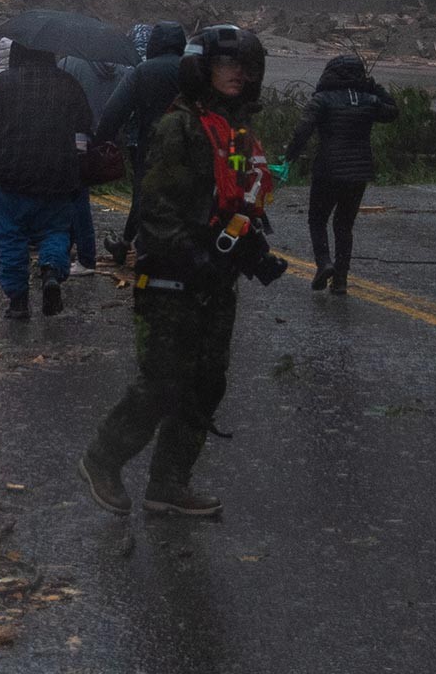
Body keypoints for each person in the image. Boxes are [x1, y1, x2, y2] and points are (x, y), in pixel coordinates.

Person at [80, 25, 276, 519]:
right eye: (227, 65)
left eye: (245, 67)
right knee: (163, 381)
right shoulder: (180, 127)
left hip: (215, 283)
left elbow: (235, 199)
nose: (237, 75)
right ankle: (102, 458)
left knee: (207, 383)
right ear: (203, 68)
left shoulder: (235, 132)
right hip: (171, 280)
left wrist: (250, 250)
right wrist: (195, 255)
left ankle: (169, 483)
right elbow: (157, 211)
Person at [0, 41, 92, 319]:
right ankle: (51, 271)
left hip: (11, 173)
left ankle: (18, 301)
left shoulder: (2, 84)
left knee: (12, 235)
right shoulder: (68, 83)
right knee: (55, 231)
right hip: (58, 173)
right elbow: (85, 124)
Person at [278, 54, 398, 293]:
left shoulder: (322, 99)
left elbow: (303, 129)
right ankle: (341, 279)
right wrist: (374, 86)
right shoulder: (369, 100)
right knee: (344, 225)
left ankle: (324, 263)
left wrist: (289, 156)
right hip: (359, 171)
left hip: (328, 170)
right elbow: (393, 111)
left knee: (317, 219)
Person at [94, 21, 189, 264]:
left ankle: (130, 246)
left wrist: (102, 140)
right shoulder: (193, 70)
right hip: (191, 148)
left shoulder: (142, 71)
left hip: (151, 146)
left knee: (144, 196)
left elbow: (114, 110)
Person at [61, 53, 128, 272]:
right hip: (101, 137)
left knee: (74, 197)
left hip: (74, 137)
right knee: (79, 195)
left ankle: (84, 256)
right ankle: (78, 251)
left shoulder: (70, 65)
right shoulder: (117, 66)